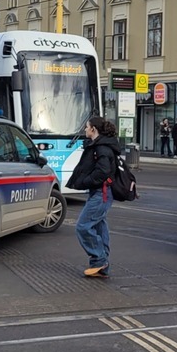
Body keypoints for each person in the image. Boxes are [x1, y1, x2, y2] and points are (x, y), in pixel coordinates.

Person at [67, 116, 122, 278]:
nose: (84, 129)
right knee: (99, 226)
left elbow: (103, 171)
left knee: (82, 227)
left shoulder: (102, 148)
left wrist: (85, 181)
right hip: (100, 192)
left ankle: (99, 260)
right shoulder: (100, 145)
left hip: (101, 193)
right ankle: (102, 266)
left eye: (87, 127)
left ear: (94, 129)